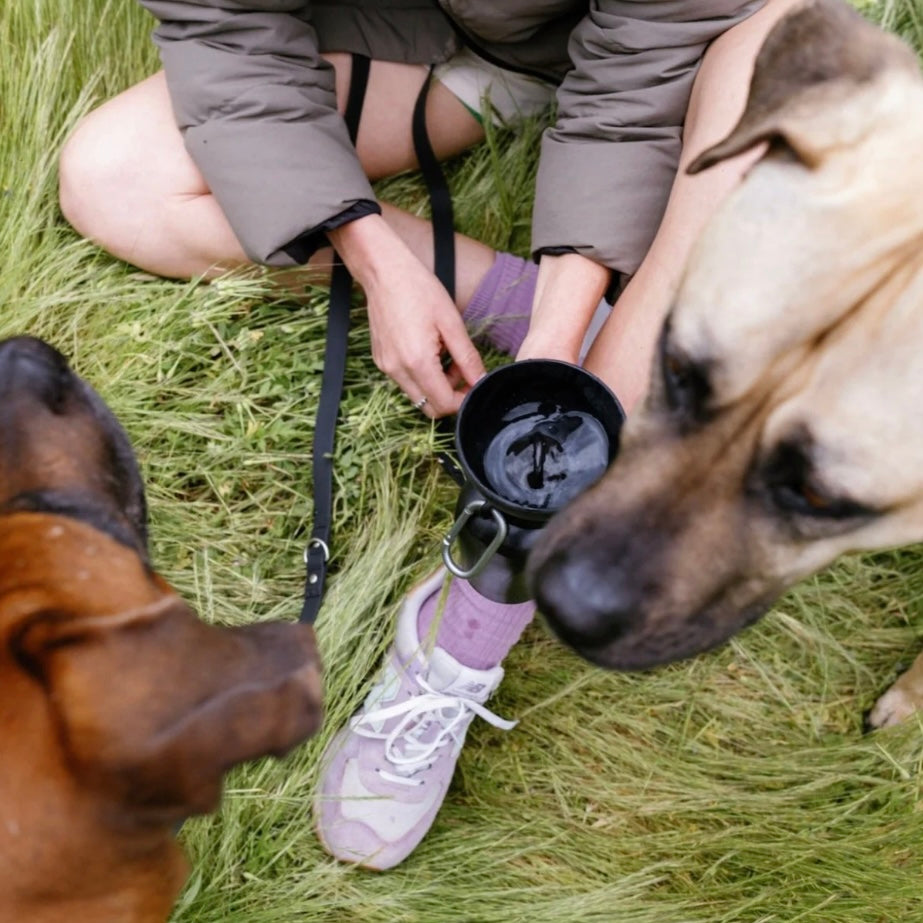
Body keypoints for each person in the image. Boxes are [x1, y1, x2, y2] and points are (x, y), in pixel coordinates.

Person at [59, 0, 802, 870]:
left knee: (789, 51)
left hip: (677, 56)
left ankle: (468, 629)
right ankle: (524, 301)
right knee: (114, 177)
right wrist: (378, 262)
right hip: (426, 38)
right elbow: (227, 27)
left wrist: (551, 363)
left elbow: (637, 75)